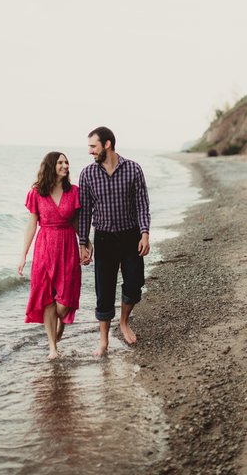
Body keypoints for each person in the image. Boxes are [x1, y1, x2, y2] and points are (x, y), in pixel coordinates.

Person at [78, 127, 151, 356]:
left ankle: (124, 321)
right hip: (104, 239)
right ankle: (103, 341)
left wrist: (145, 233)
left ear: (107, 144)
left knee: (134, 284)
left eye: (93, 146)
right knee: (104, 292)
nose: (90, 151)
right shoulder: (87, 174)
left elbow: (142, 204)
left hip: (130, 236)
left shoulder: (133, 169)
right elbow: (85, 212)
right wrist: (83, 242)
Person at [18, 152, 85, 359]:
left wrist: (86, 243)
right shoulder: (37, 192)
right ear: (50, 166)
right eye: (60, 162)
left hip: (67, 246)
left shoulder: (74, 191)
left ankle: (61, 325)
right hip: (44, 247)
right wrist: (23, 255)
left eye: (66, 162)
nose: (65, 166)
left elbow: (76, 223)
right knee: (47, 297)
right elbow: (31, 225)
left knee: (64, 305)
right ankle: (52, 347)